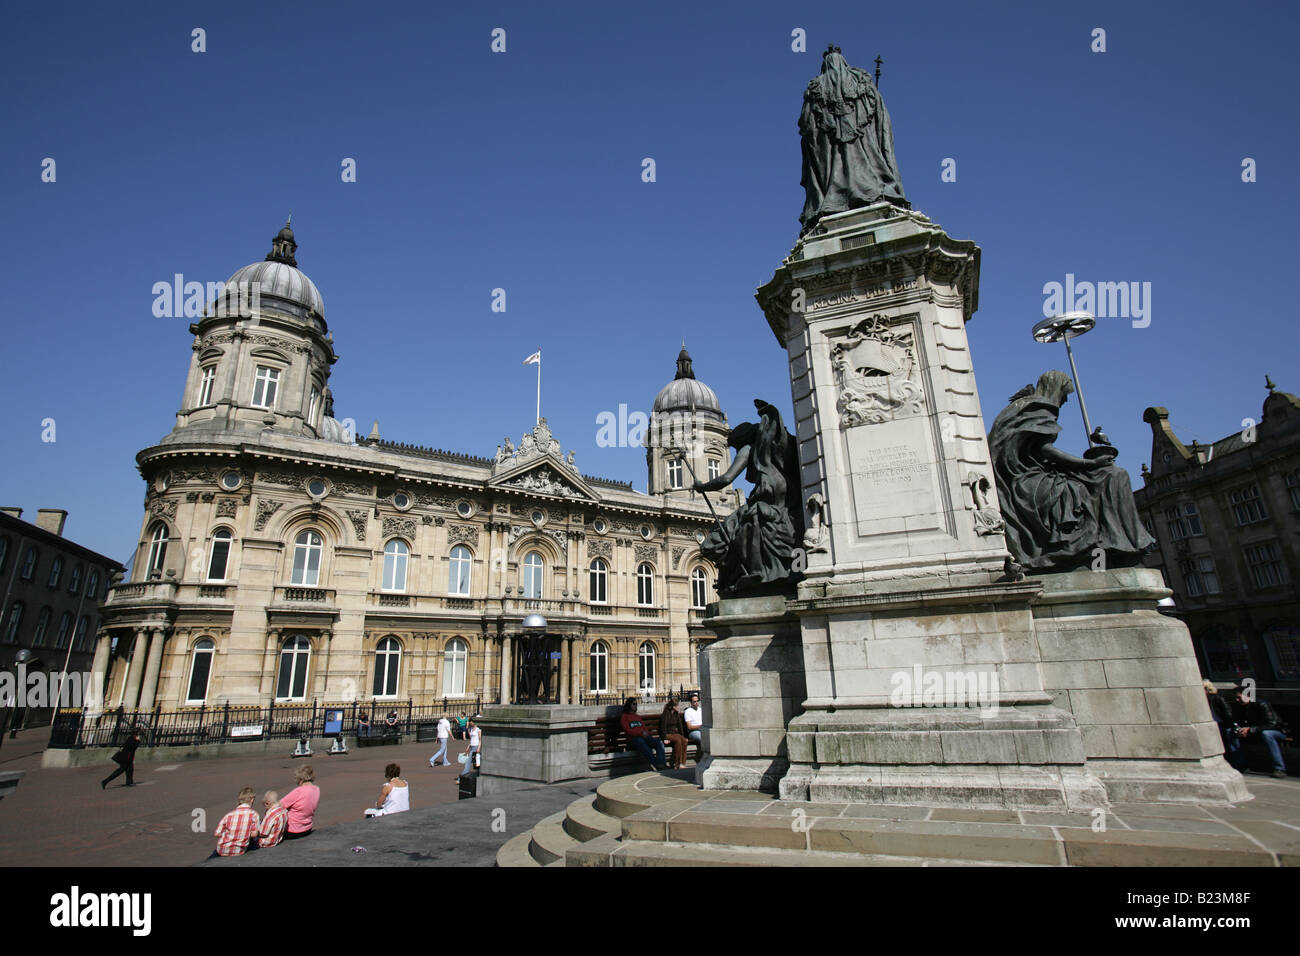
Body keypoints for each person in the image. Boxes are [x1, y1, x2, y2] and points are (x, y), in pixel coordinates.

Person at [988, 372, 1155, 572]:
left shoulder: (1030, 408)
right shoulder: (1037, 408)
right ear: (1056, 388)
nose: (1065, 400)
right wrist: (1089, 464)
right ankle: (1094, 557)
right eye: (1065, 394)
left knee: (1114, 475)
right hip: (1026, 481)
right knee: (1080, 491)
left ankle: (1120, 548)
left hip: (1039, 472)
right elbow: (1044, 450)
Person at [1231, 686, 1292, 778]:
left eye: (1239, 697)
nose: (1237, 700)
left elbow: (1272, 724)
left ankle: (1280, 768)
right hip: (1255, 732)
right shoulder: (1239, 707)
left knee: (1267, 734)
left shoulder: (1261, 704)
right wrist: (1240, 729)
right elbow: (1237, 721)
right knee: (1231, 732)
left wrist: (1250, 729)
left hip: (1277, 731)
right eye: (1236, 698)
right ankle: (1240, 764)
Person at [210, 787, 261, 858]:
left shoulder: (228, 815)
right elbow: (254, 834)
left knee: (213, 854)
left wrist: (231, 833)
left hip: (222, 850)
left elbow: (217, 834)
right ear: (252, 800)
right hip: (238, 850)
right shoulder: (254, 814)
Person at [620, 698, 667, 770]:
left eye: (636, 704)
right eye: (634, 704)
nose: (636, 706)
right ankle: (657, 764)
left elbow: (644, 728)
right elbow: (628, 730)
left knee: (659, 743)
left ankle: (661, 763)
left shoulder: (637, 717)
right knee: (641, 743)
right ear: (629, 705)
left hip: (644, 736)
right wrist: (640, 733)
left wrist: (645, 733)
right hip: (633, 739)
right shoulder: (624, 717)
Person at [1204, 680, 1240, 768]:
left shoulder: (1217, 698)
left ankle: (1238, 763)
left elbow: (1228, 713)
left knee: (1231, 744)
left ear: (1206, 689)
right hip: (1214, 725)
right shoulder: (1205, 700)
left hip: (1224, 725)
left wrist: (1229, 725)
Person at [280, 764, 321, 839]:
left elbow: (279, 805)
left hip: (292, 831)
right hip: (308, 829)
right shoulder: (317, 789)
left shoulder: (298, 791)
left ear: (300, 779)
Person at [659, 697, 690, 770]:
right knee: (678, 741)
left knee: (684, 741)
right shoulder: (665, 714)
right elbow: (662, 727)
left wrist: (683, 736)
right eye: (677, 706)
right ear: (673, 707)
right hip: (667, 734)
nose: (678, 707)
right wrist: (664, 738)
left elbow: (680, 726)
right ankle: (677, 763)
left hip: (674, 733)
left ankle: (682, 762)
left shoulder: (676, 714)